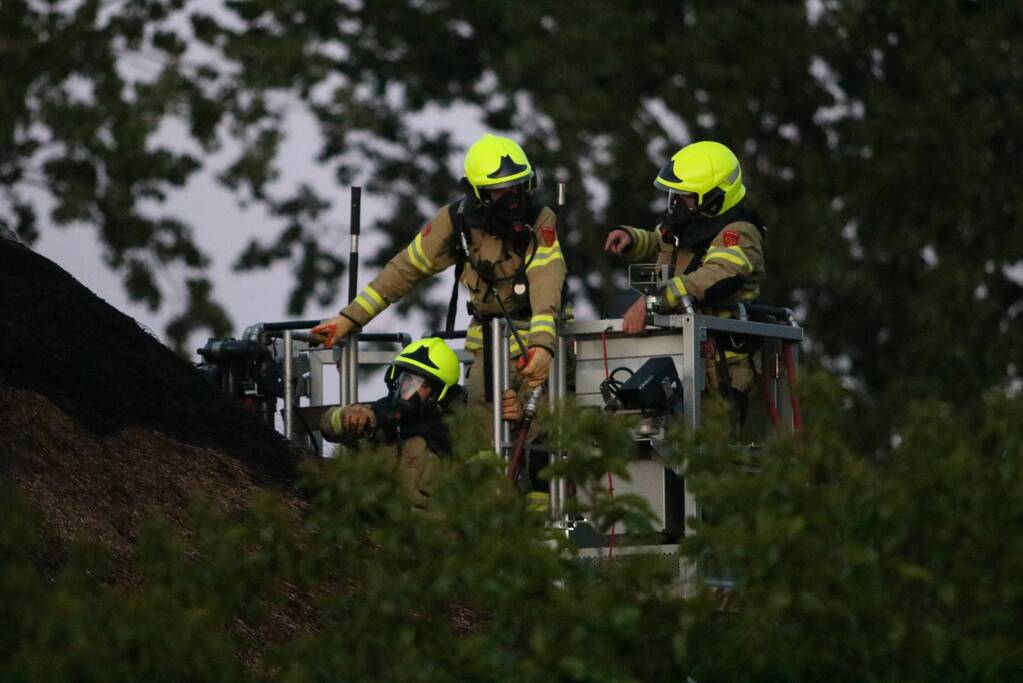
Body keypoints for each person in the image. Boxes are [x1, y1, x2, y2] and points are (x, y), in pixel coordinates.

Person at [312, 134, 566, 434]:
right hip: (487, 350)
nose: (513, 199)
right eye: (500, 192)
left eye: (518, 187)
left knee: (543, 437)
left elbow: (546, 277)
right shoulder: (455, 221)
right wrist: (349, 318)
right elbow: (405, 269)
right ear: (478, 193)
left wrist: (542, 346)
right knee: (483, 439)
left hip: (541, 346)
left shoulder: (540, 217)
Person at [604, 140, 766, 414]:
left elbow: (717, 275)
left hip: (720, 370)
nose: (677, 202)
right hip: (680, 356)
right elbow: (661, 242)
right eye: (675, 194)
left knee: (706, 449)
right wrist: (633, 239)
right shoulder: (688, 225)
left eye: (686, 196)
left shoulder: (737, 233)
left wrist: (652, 301)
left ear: (715, 198)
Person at [320, 337, 523, 510]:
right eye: (405, 379)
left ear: (439, 393)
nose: (409, 388)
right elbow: (328, 428)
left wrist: (515, 417)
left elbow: (494, 445)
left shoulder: (458, 427)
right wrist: (346, 416)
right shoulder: (380, 415)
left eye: (422, 385)